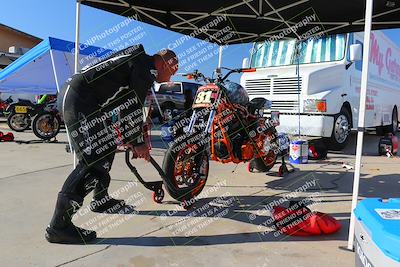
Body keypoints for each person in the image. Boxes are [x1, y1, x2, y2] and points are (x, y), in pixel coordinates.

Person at [46, 45, 178, 244]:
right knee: (93, 160)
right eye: (172, 71)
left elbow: (124, 104)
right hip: (80, 100)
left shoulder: (137, 62)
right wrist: (138, 142)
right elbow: (132, 107)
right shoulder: (144, 67)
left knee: (106, 147)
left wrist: (131, 138)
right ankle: (59, 226)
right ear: (162, 63)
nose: (170, 78)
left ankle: (101, 199)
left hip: (85, 99)